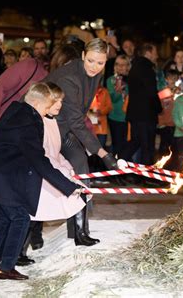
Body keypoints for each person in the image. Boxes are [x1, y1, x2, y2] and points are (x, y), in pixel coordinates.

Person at [0, 82, 82, 280]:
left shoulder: (15, 112)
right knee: (21, 218)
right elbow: (39, 160)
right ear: (39, 103)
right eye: (48, 105)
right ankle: (6, 267)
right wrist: (68, 186)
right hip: (4, 180)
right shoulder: (29, 122)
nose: (50, 109)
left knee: (6, 219)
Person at [44, 38, 120, 246]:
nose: (95, 67)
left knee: (81, 168)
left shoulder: (94, 74)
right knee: (40, 179)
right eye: (91, 61)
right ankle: (25, 243)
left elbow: (77, 116)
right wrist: (103, 153)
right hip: (46, 130)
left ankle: (79, 231)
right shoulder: (69, 78)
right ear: (83, 56)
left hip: (65, 129)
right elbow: (77, 121)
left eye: (101, 63)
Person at [18, 83, 88, 266]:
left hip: (51, 168)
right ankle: (20, 250)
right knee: (34, 212)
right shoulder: (38, 122)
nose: (59, 105)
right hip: (42, 172)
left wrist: (66, 166)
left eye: (61, 101)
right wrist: (61, 170)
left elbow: (56, 152)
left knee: (80, 194)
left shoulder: (53, 121)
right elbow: (43, 154)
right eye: (56, 101)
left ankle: (80, 235)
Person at [121, 43, 162, 166]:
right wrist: (158, 108)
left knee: (136, 142)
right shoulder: (146, 69)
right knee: (147, 146)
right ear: (148, 53)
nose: (157, 56)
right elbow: (151, 92)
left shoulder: (136, 67)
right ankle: (146, 177)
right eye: (155, 52)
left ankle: (118, 162)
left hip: (135, 114)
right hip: (146, 115)